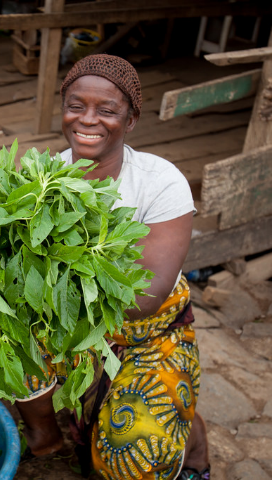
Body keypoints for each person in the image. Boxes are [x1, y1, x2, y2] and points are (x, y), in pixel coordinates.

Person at [15, 55, 210, 480]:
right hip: (70, 327)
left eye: (107, 110)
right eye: (75, 105)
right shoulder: (42, 176)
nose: (88, 120)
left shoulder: (161, 182)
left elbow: (145, 296)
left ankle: (191, 439)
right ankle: (47, 439)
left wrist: (47, 276)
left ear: (131, 119)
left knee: (130, 455)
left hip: (146, 337)